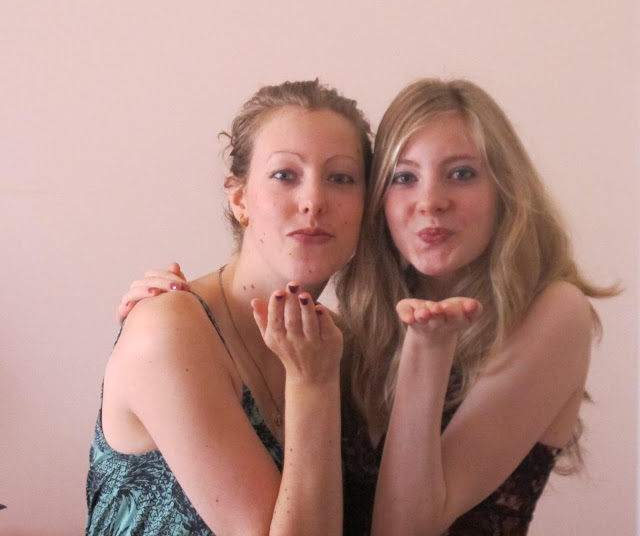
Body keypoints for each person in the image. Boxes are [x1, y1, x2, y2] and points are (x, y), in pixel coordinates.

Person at [120, 78, 617, 535]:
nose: (431, 201)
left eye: (340, 178)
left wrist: (420, 352)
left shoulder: (552, 310)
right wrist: (158, 325)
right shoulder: (344, 340)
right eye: (404, 177)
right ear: (239, 198)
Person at [86, 79, 374, 535]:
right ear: (240, 199)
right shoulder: (170, 327)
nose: (314, 201)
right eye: (285, 175)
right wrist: (313, 384)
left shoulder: (336, 344)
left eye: (340, 178)